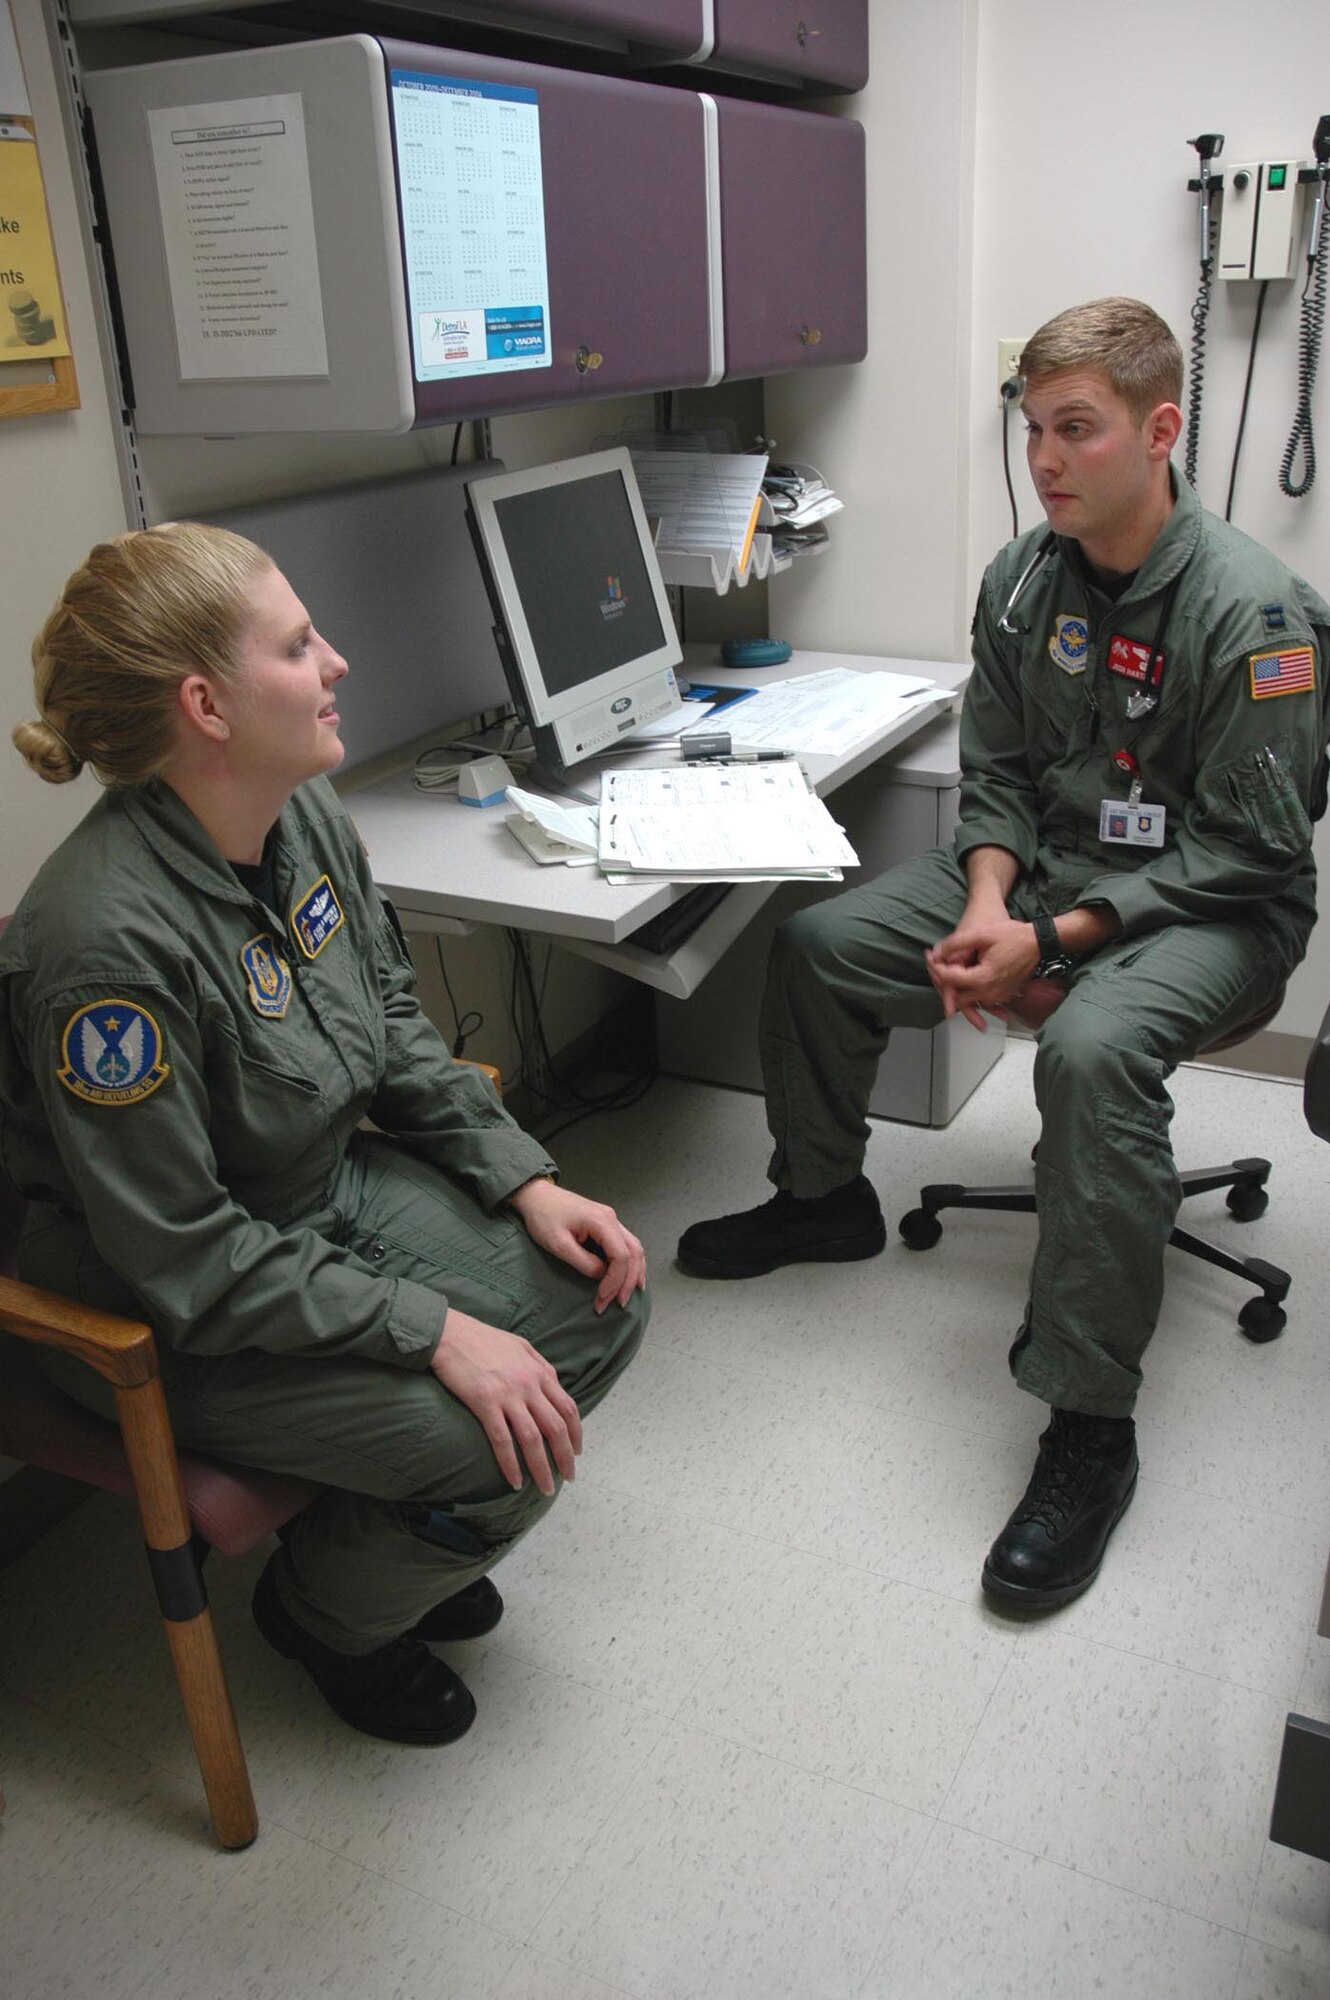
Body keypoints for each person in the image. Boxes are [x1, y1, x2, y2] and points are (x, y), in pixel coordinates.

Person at [678, 297, 1330, 1611]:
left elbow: (1242, 854)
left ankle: (1089, 1424)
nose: (1044, 459)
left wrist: (1054, 939)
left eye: (1074, 429)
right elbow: (998, 773)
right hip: (1042, 876)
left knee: (1087, 1050)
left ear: (1159, 431)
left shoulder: (1251, 617)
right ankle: (821, 1197)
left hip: (1212, 910)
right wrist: (987, 905)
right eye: (1031, 428)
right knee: (817, 944)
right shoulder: (1024, 579)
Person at [0, 522, 648, 1742]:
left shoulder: (297, 815)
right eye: (299, 644)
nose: (337, 661)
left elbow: (393, 1027)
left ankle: (388, 1546)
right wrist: (436, 1328)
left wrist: (524, 1180)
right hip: (169, 1301)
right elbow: (182, 1254)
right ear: (207, 703)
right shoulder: (103, 952)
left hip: (315, 1197)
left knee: (600, 1297)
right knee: (495, 1436)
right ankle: (327, 1614)